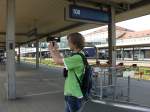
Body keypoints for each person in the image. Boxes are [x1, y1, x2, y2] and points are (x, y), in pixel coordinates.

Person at [48, 32, 85, 112]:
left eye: (69, 42)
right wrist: (56, 50)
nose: (68, 44)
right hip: (70, 93)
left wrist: (51, 50)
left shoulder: (77, 57)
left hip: (74, 95)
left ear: (74, 44)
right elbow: (61, 60)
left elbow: (57, 61)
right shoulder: (77, 55)